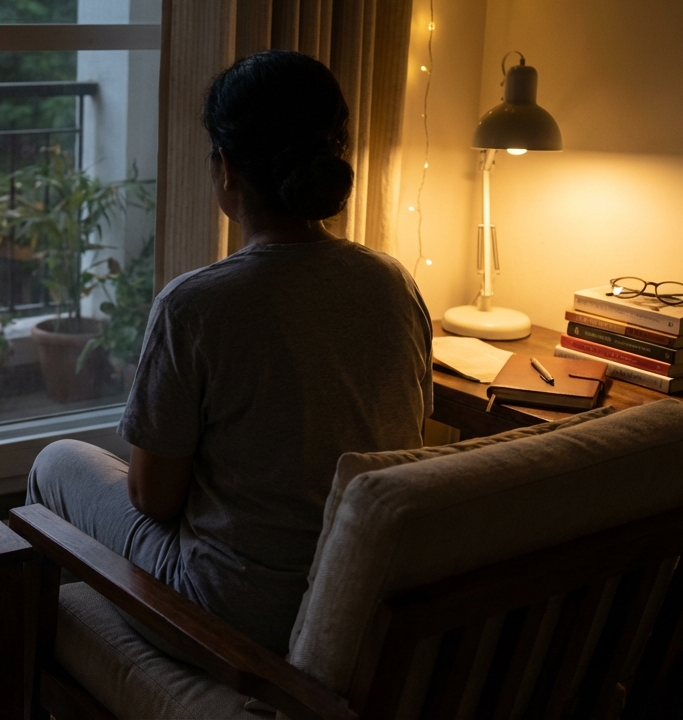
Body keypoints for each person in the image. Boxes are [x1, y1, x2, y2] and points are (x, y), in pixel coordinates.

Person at [26, 50, 433, 656]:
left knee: (55, 463)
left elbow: (152, 499)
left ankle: (47, 667)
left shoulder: (196, 306)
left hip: (231, 619)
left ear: (226, 168)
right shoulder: (393, 283)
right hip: (360, 605)